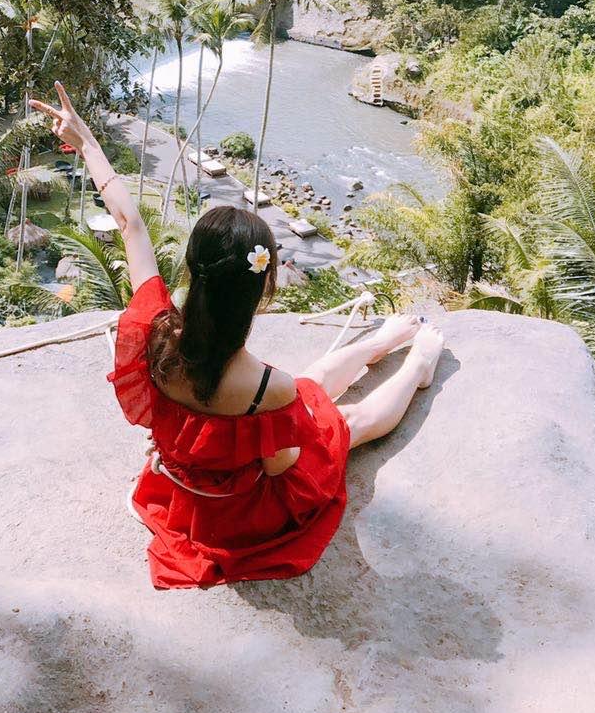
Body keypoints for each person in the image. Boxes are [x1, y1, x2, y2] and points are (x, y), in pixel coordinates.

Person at [31, 81, 445, 591]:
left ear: (193, 269)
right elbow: (282, 467)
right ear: (263, 289)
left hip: (189, 484)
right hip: (240, 511)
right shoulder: (269, 386)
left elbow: (129, 224)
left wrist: (88, 144)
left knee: (313, 382)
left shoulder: (156, 333)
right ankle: (417, 366)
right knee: (347, 421)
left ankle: (379, 342)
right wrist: (310, 427)